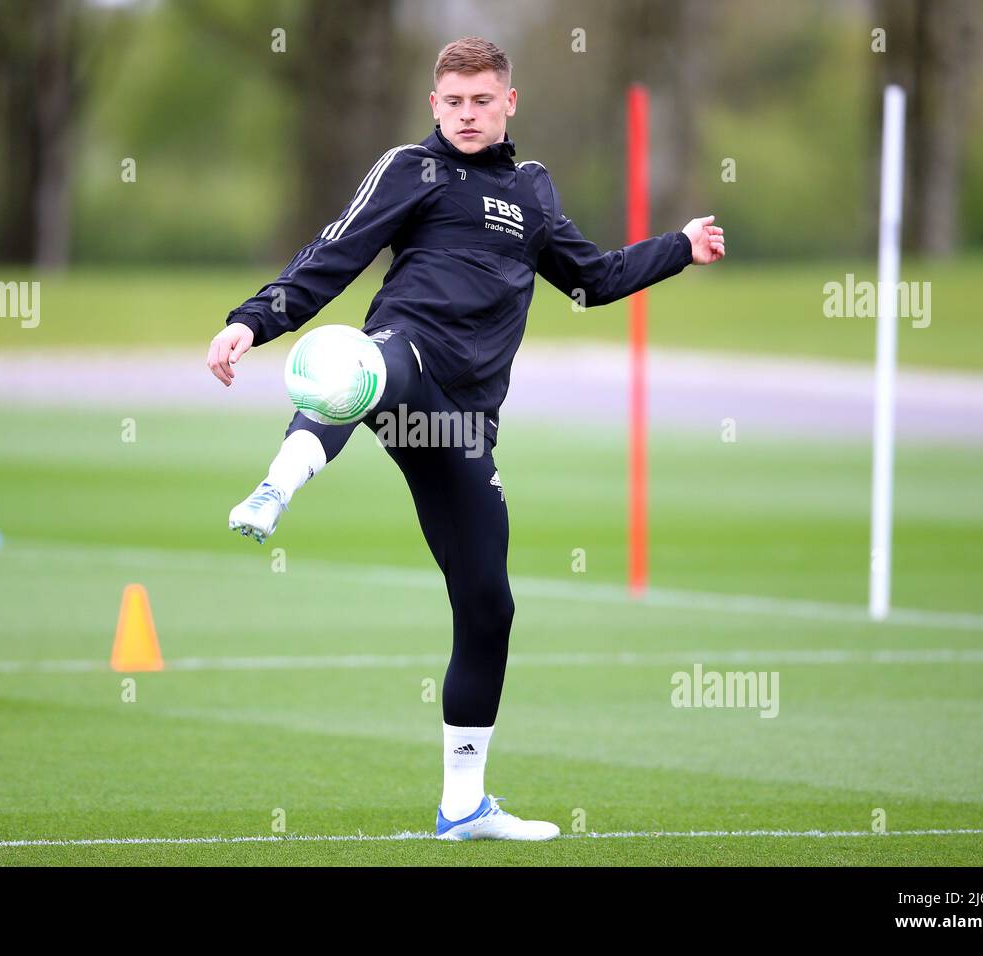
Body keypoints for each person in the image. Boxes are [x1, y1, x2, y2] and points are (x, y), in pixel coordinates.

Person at [207, 36, 725, 841]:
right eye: (452, 102)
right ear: (433, 104)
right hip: (406, 356)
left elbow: (591, 281)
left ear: (508, 102)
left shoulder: (532, 189)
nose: (466, 115)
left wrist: (679, 249)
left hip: (461, 422)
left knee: (489, 605)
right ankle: (280, 479)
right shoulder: (414, 169)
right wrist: (252, 321)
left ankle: (462, 806)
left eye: (481, 101)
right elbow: (335, 252)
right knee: (363, 364)